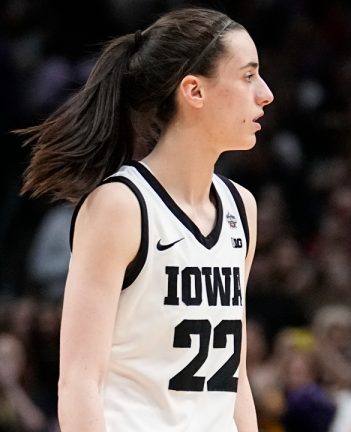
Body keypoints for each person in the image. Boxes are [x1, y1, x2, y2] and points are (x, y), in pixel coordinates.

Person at [15, 7, 273, 431]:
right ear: (194, 91)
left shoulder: (241, 207)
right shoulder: (121, 206)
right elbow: (79, 382)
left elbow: (236, 377)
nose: (265, 93)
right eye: (247, 76)